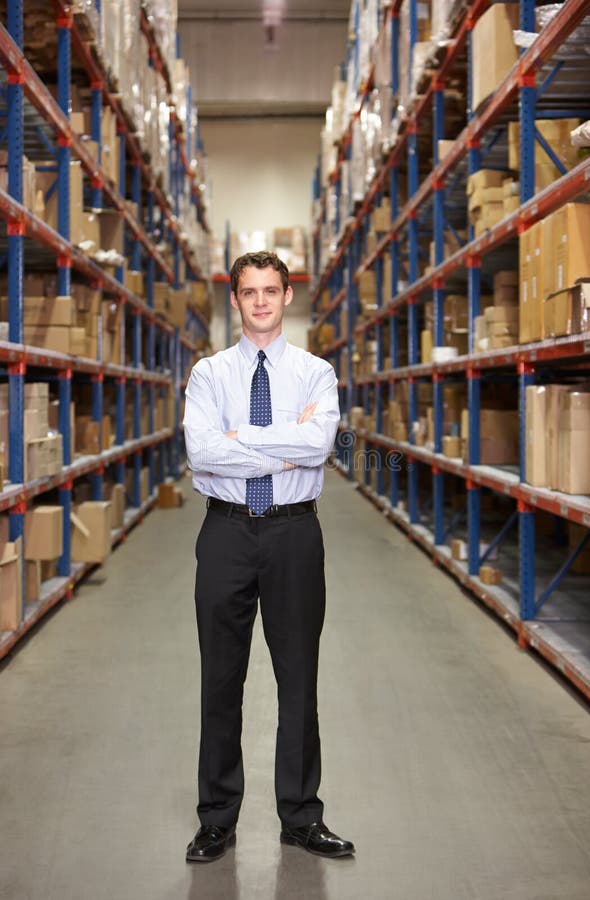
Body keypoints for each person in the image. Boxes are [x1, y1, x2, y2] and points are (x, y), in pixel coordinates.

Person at [182, 251, 354, 863]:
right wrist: (282, 448)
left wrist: (239, 441)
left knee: (298, 677)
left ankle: (301, 817)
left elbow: (318, 446)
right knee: (221, 679)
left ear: (287, 297)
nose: (260, 301)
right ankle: (216, 819)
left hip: (293, 535)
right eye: (248, 291)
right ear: (235, 300)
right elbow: (200, 453)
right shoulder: (209, 375)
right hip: (225, 533)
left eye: (271, 290)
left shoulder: (316, 374)